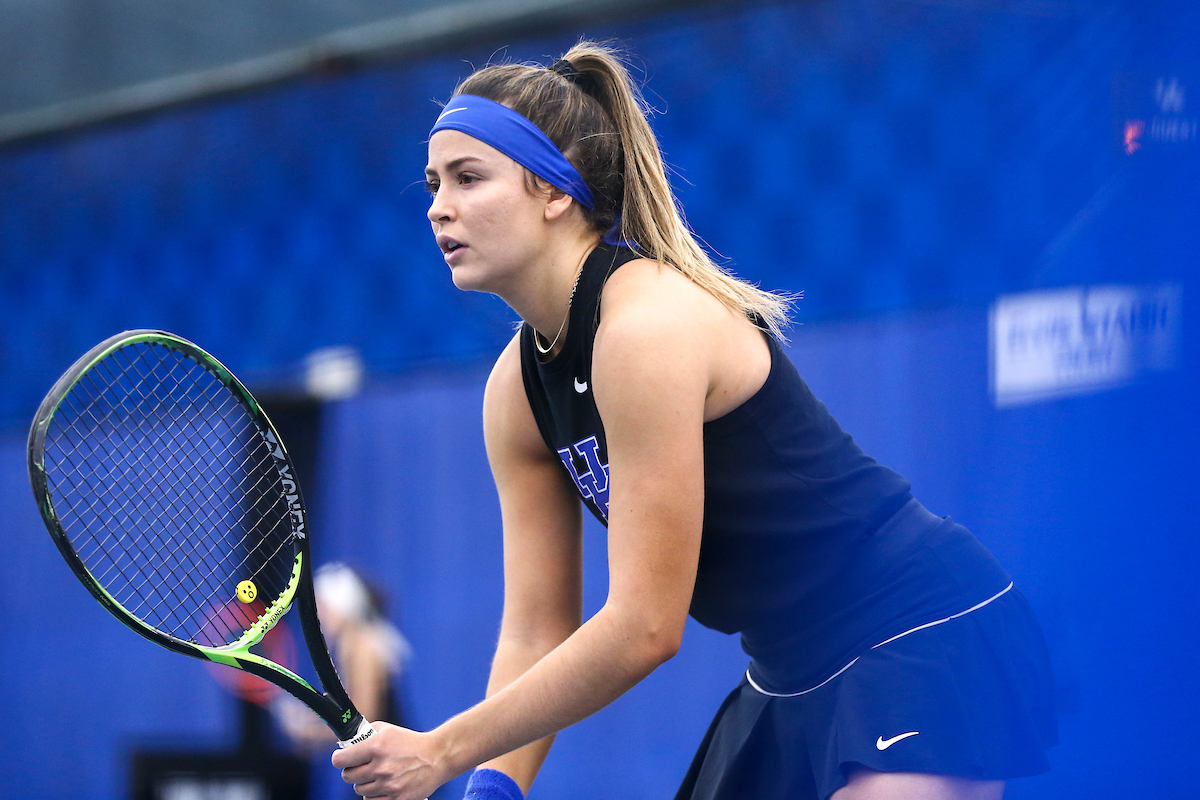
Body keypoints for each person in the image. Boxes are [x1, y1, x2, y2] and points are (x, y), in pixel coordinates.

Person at [332, 40, 1057, 800]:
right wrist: (493, 785)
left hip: (916, 637)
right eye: (432, 183)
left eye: (468, 178)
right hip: (787, 676)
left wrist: (442, 750)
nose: (438, 206)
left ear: (553, 192)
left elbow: (646, 627)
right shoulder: (514, 390)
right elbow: (536, 629)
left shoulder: (646, 330)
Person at [276, 563, 411, 752]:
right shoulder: (354, 644)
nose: (318, 615)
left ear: (340, 606)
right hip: (384, 760)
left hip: (396, 763)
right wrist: (312, 721)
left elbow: (365, 720)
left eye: (322, 606)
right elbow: (351, 713)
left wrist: (309, 732)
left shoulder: (361, 646)